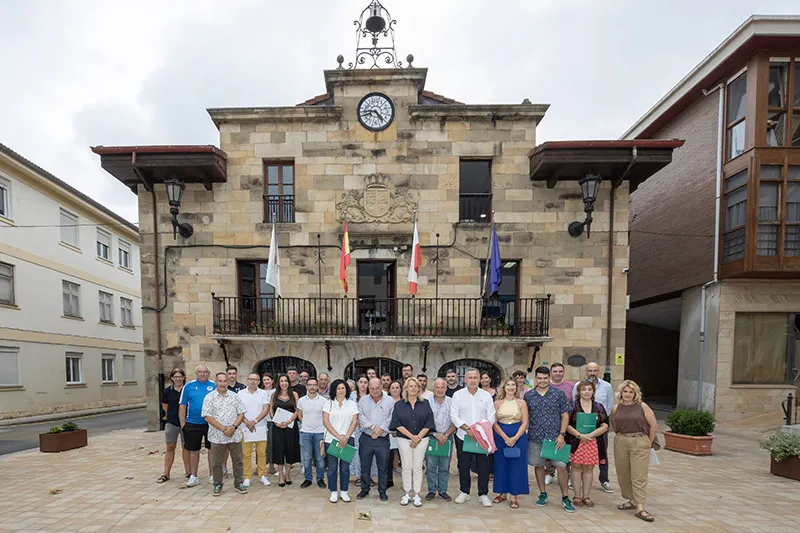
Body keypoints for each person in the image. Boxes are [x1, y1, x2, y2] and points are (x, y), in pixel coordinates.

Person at [524, 366, 574, 513]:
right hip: (535, 437)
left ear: (549, 378)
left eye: (545, 378)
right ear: (535, 379)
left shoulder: (559, 394)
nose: (542, 381)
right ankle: (542, 493)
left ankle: (565, 497)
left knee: (562, 467)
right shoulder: (529, 396)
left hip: (555, 438)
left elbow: (565, 415)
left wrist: (562, 434)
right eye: (539, 378)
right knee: (539, 466)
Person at [611, 380, 658, 523]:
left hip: (639, 440)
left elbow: (654, 425)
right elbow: (615, 426)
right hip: (621, 441)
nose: (628, 394)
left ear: (635, 393)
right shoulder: (615, 408)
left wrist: (648, 443)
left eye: (631, 392)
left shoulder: (642, 406)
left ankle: (640, 507)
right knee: (623, 473)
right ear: (620, 393)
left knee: (639, 475)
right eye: (625, 391)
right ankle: (631, 499)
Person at [451, 368, 496, 507]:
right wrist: (467, 429)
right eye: (470, 378)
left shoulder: (486, 396)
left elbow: (491, 416)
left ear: (479, 379)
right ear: (465, 379)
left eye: (475, 378)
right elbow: (454, 416)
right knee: (463, 465)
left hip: (482, 437)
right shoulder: (458, 395)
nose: (472, 380)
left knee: (483, 466)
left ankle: (483, 494)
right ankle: (464, 491)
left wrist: (479, 431)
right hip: (463, 436)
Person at [390, 377, 434, 507]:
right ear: (406, 388)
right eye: (411, 386)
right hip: (404, 440)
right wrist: (411, 437)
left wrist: (418, 437)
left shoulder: (425, 403)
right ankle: (407, 494)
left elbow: (429, 423)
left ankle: (416, 495)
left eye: (416, 386)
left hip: (422, 439)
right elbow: (396, 423)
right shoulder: (399, 404)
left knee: (418, 467)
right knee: (406, 467)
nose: (413, 388)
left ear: (419, 388)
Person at [202, 372, 247, 496]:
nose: (222, 383)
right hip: (217, 436)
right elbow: (207, 416)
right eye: (220, 381)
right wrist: (223, 429)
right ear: (216, 382)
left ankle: (239, 483)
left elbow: (241, 413)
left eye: (225, 381)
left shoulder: (235, 396)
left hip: (234, 435)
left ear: (228, 382)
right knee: (216, 462)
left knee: (238, 461)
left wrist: (233, 427)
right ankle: (217, 484)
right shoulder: (209, 397)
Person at [572, 362, 615, 493]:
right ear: (586, 371)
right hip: (577, 435)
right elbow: (573, 409)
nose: (592, 373)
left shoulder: (607, 387)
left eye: (595, 370)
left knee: (602, 455)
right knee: (576, 464)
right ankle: (575, 490)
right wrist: (579, 434)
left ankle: (604, 480)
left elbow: (609, 407)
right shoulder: (577, 387)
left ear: (598, 371)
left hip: (597, 432)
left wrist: (595, 431)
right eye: (590, 370)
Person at [565, 380, 609, 508]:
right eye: (584, 389)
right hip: (576, 441)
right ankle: (577, 496)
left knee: (589, 469)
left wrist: (591, 435)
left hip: (593, 442)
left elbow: (605, 424)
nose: (587, 392)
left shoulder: (599, 406)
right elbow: (565, 424)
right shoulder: (572, 405)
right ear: (579, 391)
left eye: (589, 389)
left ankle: (586, 496)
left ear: (593, 392)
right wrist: (579, 435)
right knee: (576, 467)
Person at [491, 377, 529, 509]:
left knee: (516, 465)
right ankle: (502, 493)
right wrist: (505, 437)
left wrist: (515, 437)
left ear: (516, 388)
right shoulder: (497, 403)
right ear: (504, 387)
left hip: (518, 435)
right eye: (508, 385)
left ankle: (514, 496)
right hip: (501, 436)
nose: (511, 387)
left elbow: (525, 422)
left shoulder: (522, 403)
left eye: (513, 385)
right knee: (501, 464)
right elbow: (494, 422)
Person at [356, 377, 395, 501]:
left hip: (382, 439)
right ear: (369, 388)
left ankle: (382, 491)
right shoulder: (363, 401)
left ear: (381, 386)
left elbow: (391, 418)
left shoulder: (389, 401)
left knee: (383, 467)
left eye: (377, 388)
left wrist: (380, 429)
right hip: (366, 438)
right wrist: (373, 428)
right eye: (372, 388)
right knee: (365, 466)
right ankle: (364, 489)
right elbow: (360, 417)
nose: (375, 391)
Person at [322, 379, 359, 503]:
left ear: (346, 389)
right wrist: (338, 436)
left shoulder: (352, 404)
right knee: (332, 467)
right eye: (338, 388)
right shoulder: (328, 404)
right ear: (334, 390)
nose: (341, 390)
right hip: (331, 439)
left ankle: (344, 491)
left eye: (343, 388)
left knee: (344, 468)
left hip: (348, 439)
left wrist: (346, 437)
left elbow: (354, 421)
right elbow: (325, 421)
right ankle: (333, 491)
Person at [179, 365, 216, 487]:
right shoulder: (188, 386)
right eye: (200, 372)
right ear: (196, 373)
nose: (202, 374)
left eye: (205, 372)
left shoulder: (214, 386)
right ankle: (193, 476)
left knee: (212, 450)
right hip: (193, 424)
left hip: (210, 424)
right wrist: (183, 424)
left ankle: (212, 475)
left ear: (208, 373)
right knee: (193, 451)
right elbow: (182, 405)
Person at [237, 373, 271, 487]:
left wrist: (254, 421)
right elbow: (239, 409)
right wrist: (247, 422)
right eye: (251, 379)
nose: (253, 381)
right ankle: (247, 476)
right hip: (245, 427)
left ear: (259, 381)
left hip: (260, 427)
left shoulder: (263, 393)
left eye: (255, 379)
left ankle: (262, 475)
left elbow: (266, 409)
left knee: (261, 453)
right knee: (246, 453)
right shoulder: (240, 394)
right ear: (247, 380)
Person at [425, 378, 455, 501]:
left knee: (444, 466)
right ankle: (431, 490)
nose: (440, 390)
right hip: (432, 437)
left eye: (442, 387)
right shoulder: (426, 402)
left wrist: (446, 435)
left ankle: (442, 490)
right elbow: (424, 421)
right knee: (431, 466)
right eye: (437, 387)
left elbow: (455, 420)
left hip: (447, 437)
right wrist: (436, 434)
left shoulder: (452, 402)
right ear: (433, 388)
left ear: (446, 388)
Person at [158, 368, 189, 483]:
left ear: (183, 378)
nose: (178, 379)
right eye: (175, 377)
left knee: (186, 447)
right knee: (170, 447)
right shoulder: (167, 391)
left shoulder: (187, 390)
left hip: (186, 422)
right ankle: (166, 473)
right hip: (171, 422)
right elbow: (165, 407)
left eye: (180, 376)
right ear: (171, 378)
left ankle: (188, 472)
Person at [270, 374, 300, 486]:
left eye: (285, 381)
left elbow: (297, 410)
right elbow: (271, 410)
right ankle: (280, 477)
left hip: (290, 426)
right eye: (281, 381)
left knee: (290, 450)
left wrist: (289, 421)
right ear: (278, 383)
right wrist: (276, 421)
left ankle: (287, 474)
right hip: (277, 427)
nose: (284, 383)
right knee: (279, 450)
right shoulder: (274, 395)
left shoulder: (294, 394)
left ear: (289, 382)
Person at [297, 376, 326, 488]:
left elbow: (325, 417)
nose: (312, 387)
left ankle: (320, 479)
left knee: (320, 458)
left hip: (320, 433)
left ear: (317, 386)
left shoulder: (324, 401)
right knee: (307, 458)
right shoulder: (301, 400)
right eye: (310, 385)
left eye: (314, 385)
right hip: (305, 433)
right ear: (306, 386)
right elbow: (299, 414)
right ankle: (308, 479)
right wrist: (305, 423)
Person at [349, 375, 377, 484]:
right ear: (357, 383)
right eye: (361, 382)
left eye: (366, 382)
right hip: (355, 428)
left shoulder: (372, 396)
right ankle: (358, 476)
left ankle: (368, 475)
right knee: (357, 452)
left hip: (369, 428)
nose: (363, 384)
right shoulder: (351, 396)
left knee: (369, 452)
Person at [260, 373, 277, 476]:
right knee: (260, 443)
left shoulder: (276, 391)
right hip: (261, 420)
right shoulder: (260, 392)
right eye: (264, 380)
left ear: (272, 381)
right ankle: (260, 465)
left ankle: (271, 465)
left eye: (268, 379)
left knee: (271, 443)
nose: (266, 382)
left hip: (272, 420)